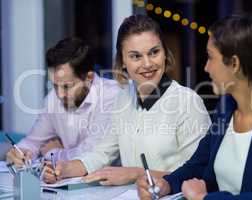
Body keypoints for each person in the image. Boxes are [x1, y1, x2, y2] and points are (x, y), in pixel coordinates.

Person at [137, 14, 252, 200]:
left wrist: (203, 199)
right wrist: (167, 184)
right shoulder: (226, 107)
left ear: (235, 64)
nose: (206, 67)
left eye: (210, 57)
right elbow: (199, 164)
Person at [42, 14, 211, 185]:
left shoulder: (188, 102)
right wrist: (64, 169)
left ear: (165, 54)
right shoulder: (123, 98)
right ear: (122, 61)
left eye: (154, 52)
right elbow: (102, 153)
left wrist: (136, 175)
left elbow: (198, 174)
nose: (147, 64)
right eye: (135, 56)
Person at [6, 38, 120, 176]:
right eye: (55, 85)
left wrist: (52, 153)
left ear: (89, 77)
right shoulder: (52, 99)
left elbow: (94, 153)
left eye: (67, 86)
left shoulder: (111, 95)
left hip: (111, 188)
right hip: (69, 187)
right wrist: (18, 153)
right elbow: (33, 141)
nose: (59, 94)